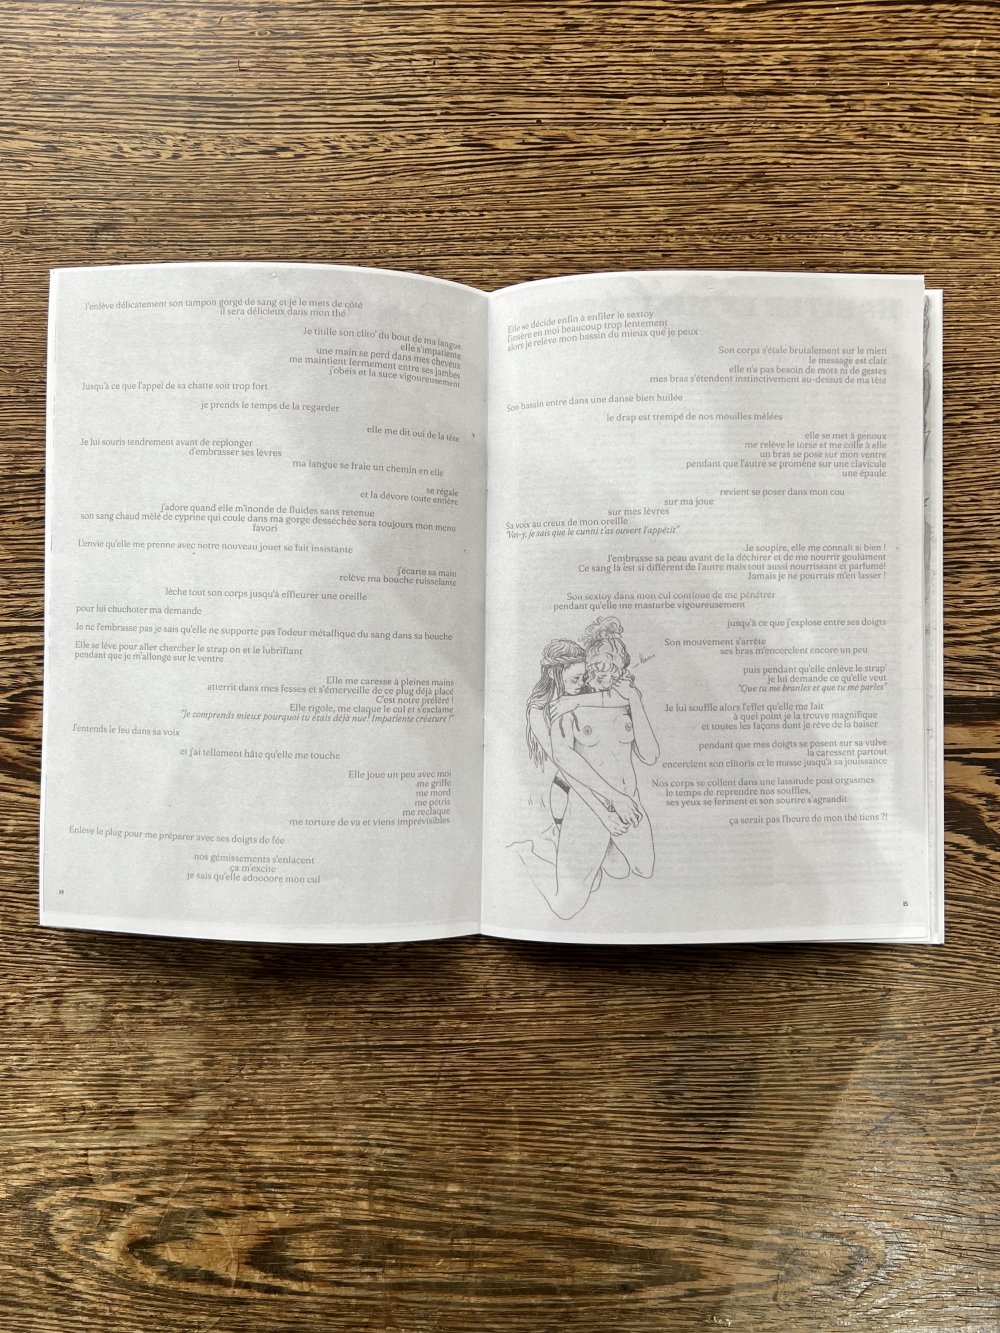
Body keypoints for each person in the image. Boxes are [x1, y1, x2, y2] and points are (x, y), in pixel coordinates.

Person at [544, 617, 659, 918]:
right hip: (589, 809)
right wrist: (612, 801)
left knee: (642, 869)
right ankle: (542, 850)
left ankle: (606, 854)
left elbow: (650, 755)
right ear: (589, 668)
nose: (605, 677)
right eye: (598, 669)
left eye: (613, 670)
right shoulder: (568, 706)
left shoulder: (626, 702)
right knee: (568, 907)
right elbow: (564, 759)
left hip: (629, 804)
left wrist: (635, 700)